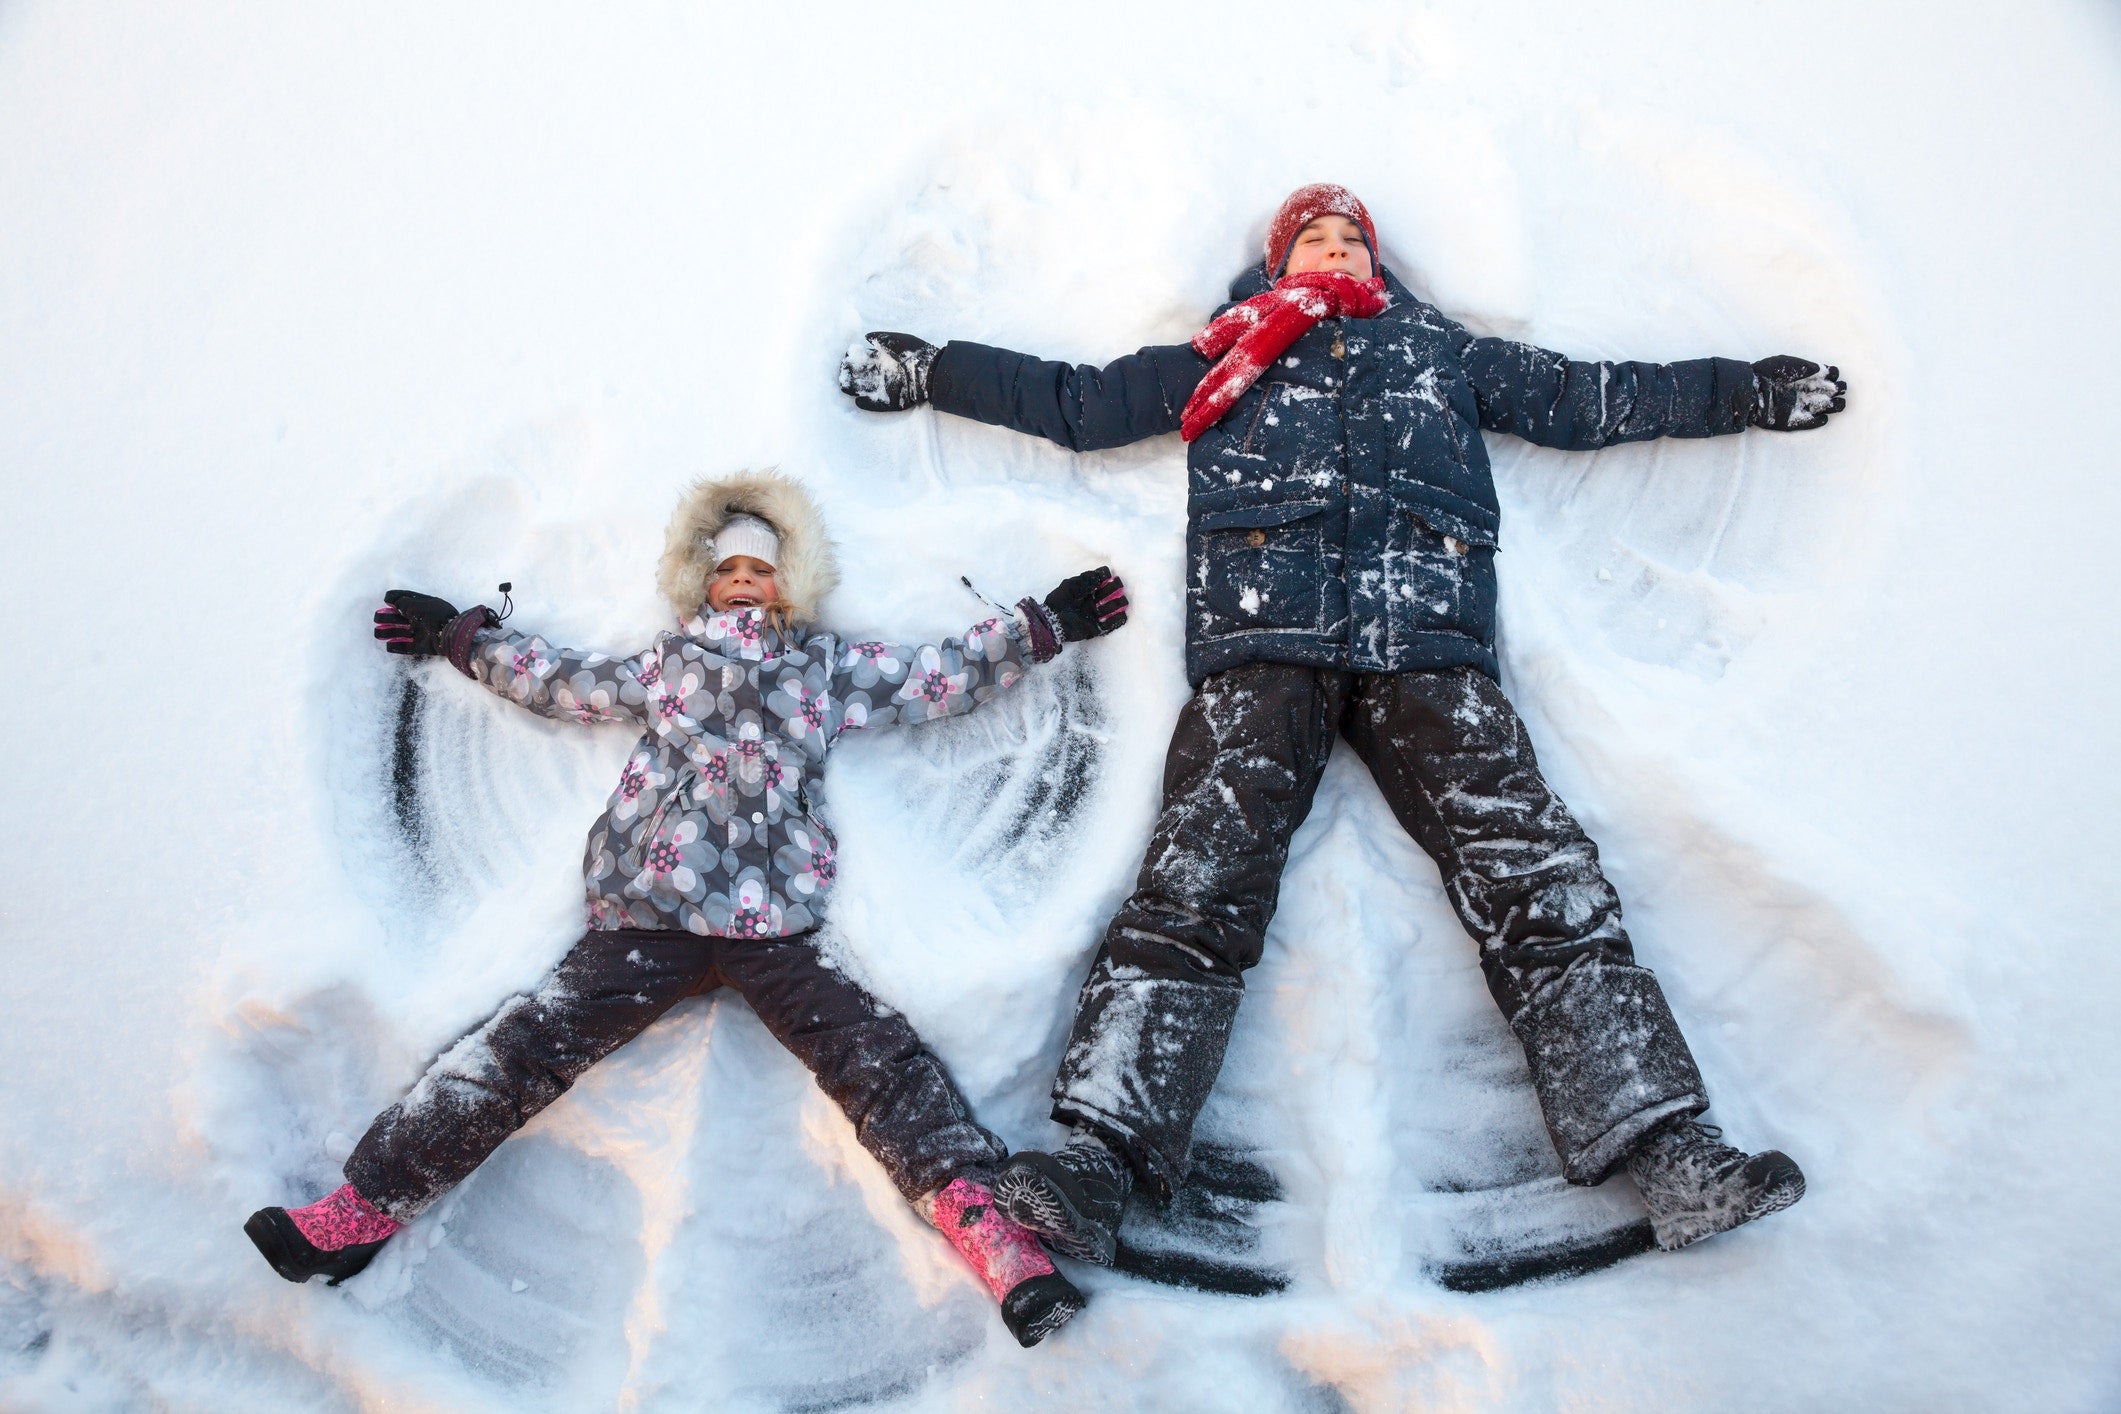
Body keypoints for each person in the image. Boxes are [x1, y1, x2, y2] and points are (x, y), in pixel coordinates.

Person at [838, 183, 1845, 1260]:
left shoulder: (1439, 351)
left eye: (1351, 239)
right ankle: (1097, 1164)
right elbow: (1080, 403)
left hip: (1428, 648)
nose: (1335, 251)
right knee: (1195, 884)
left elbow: (1591, 397)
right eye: (1313, 239)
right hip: (1264, 645)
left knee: (1537, 879)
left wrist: (1745, 392)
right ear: (1278, 266)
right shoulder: (1224, 350)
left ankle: (1669, 1154)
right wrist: (932, 370)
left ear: (1379, 263)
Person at [244, 469, 1130, 1347]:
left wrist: (1041, 626)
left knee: (879, 1066)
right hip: (649, 917)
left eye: (762, 570)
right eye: (726, 571)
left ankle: (994, 1238)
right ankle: (360, 1210)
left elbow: (935, 674)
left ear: (795, 581)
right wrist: (461, 638)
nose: (743, 582)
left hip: (773, 931)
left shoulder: (822, 668)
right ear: (697, 584)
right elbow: (563, 682)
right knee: (520, 1051)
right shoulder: (669, 665)